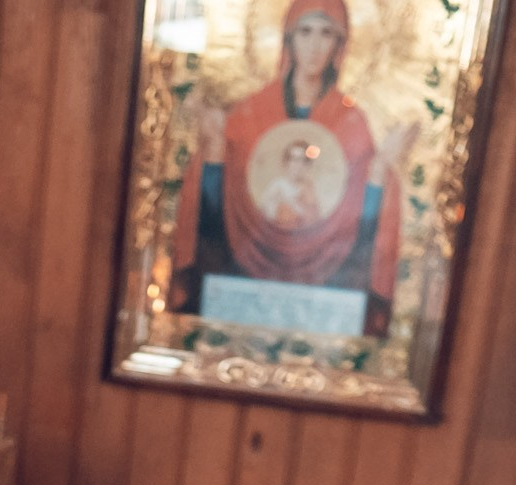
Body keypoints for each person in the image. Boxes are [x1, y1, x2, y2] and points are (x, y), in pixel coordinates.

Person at [170, 0, 414, 339]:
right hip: (240, 273)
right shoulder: (249, 112)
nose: (315, 45)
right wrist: (213, 152)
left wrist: (381, 170)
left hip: (328, 282)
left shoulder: (354, 123)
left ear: (339, 45)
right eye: (306, 32)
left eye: (327, 34)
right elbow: (213, 208)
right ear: (288, 39)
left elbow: (366, 219)